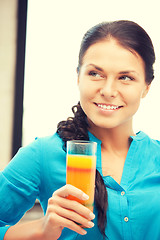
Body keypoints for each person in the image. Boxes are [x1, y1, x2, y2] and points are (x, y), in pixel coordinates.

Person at [0, 19, 159, 240]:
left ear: (146, 87)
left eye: (125, 77)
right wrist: (42, 229)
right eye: (95, 73)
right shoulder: (43, 154)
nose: (108, 90)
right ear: (78, 76)